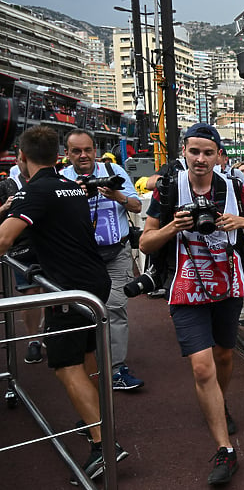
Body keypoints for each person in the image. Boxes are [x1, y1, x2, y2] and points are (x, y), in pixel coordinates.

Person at [139, 123, 244, 485]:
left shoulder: (233, 187)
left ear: (219, 155)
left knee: (224, 357)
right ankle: (225, 449)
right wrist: (173, 227)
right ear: (183, 152)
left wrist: (242, 221)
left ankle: (218, 402)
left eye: (208, 152)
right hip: (186, 289)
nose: (200, 159)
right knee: (202, 369)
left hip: (227, 286)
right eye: (194, 151)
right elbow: (145, 243)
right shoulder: (169, 189)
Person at [0, 126, 126, 482]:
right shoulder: (70, 186)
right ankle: (96, 422)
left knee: (64, 364)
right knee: (86, 357)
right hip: (92, 282)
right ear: (59, 156)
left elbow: (4, 240)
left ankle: (105, 446)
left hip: (72, 290)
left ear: (22, 158)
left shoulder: (34, 191)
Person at [61, 129, 144, 391]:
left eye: (87, 149)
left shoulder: (115, 171)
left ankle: (116, 369)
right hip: (81, 257)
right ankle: (84, 366)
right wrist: (76, 196)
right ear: (68, 154)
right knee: (81, 311)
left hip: (116, 252)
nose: (83, 155)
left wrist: (116, 195)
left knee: (116, 309)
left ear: (95, 150)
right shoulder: (62, 179)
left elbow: (137, 206)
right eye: (77, 151)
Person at [0, 156, 43, 364]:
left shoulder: (49, 180)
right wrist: (5, 208)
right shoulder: (6, 185)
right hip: (21, 248)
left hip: (49, 244)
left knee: (57, 291)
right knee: (31, 293)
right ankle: (33, 339)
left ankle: (54, 332)